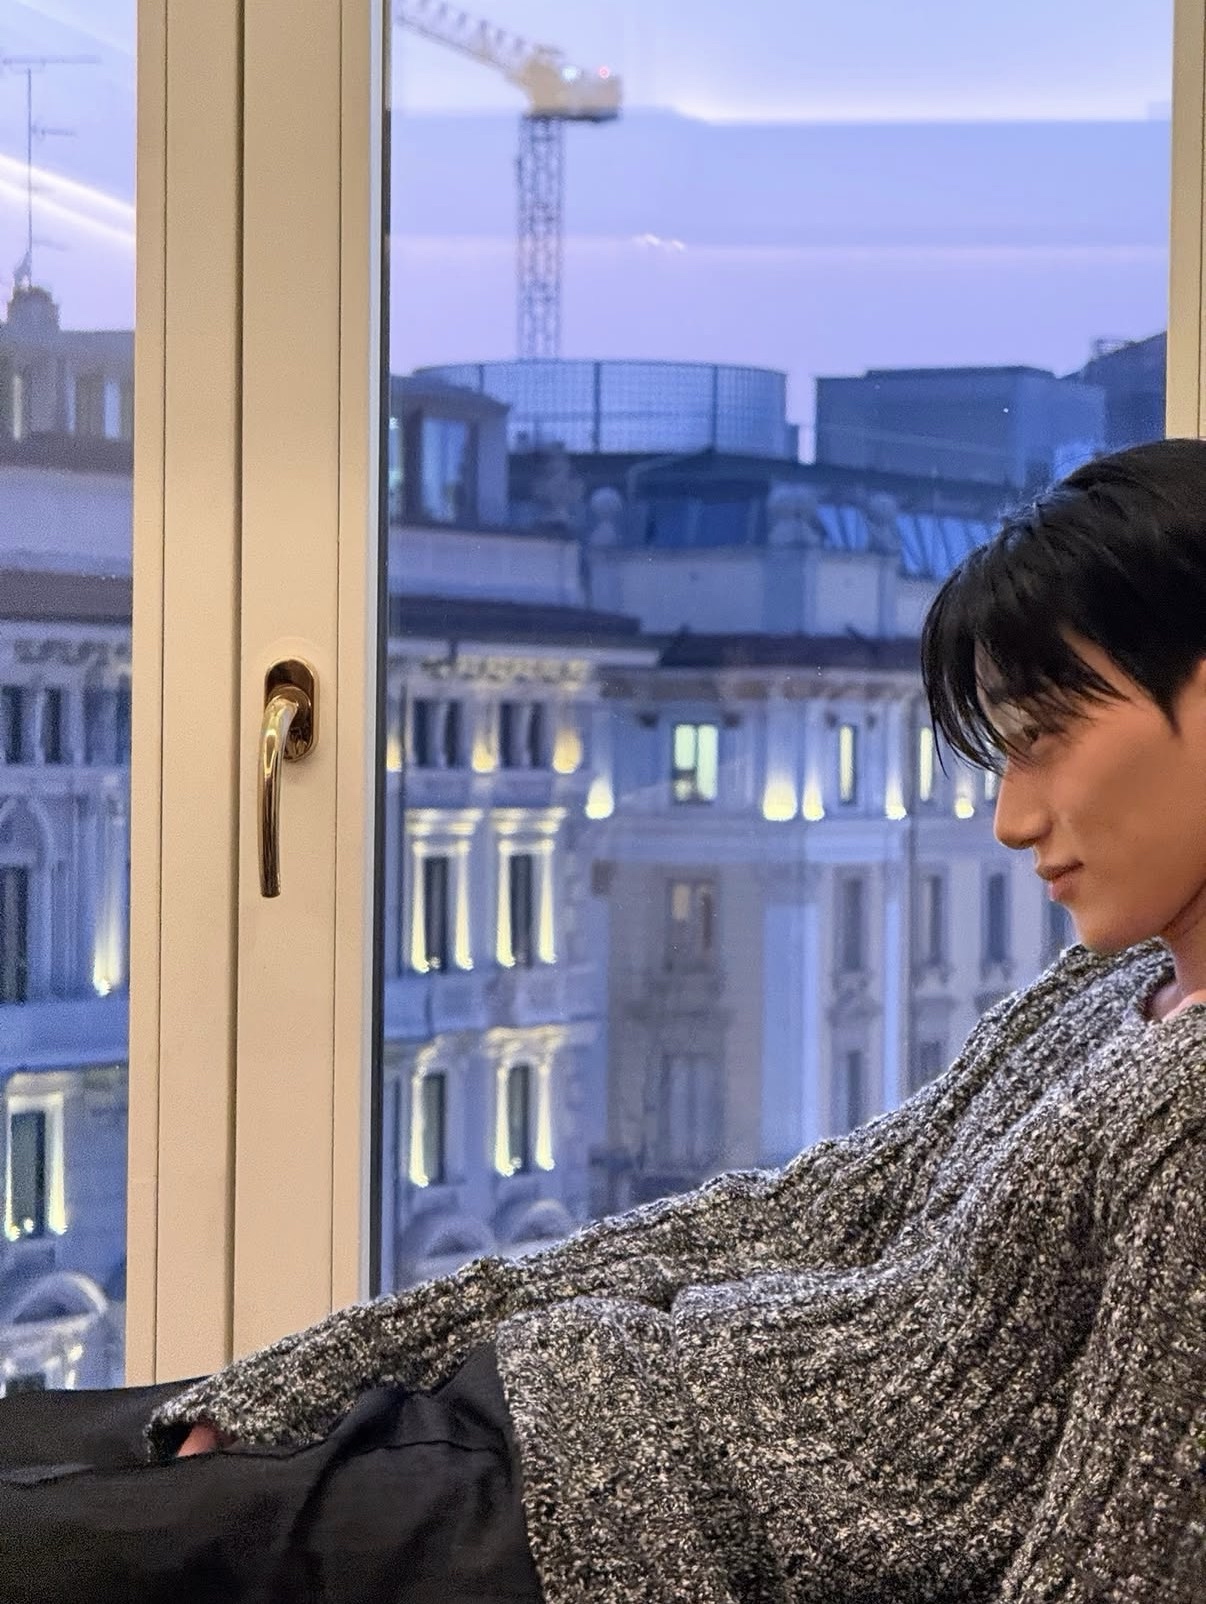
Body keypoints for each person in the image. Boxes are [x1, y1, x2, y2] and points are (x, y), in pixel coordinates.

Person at [3, 438, 1205, 1602]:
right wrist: (317, 1372)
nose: (1010, 818)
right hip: (543, 1424)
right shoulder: (1096, 994)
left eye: (1045, 740)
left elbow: (1114, 1562)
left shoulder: (1188, 1119)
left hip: (579, 1535)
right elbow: (780, 1218)